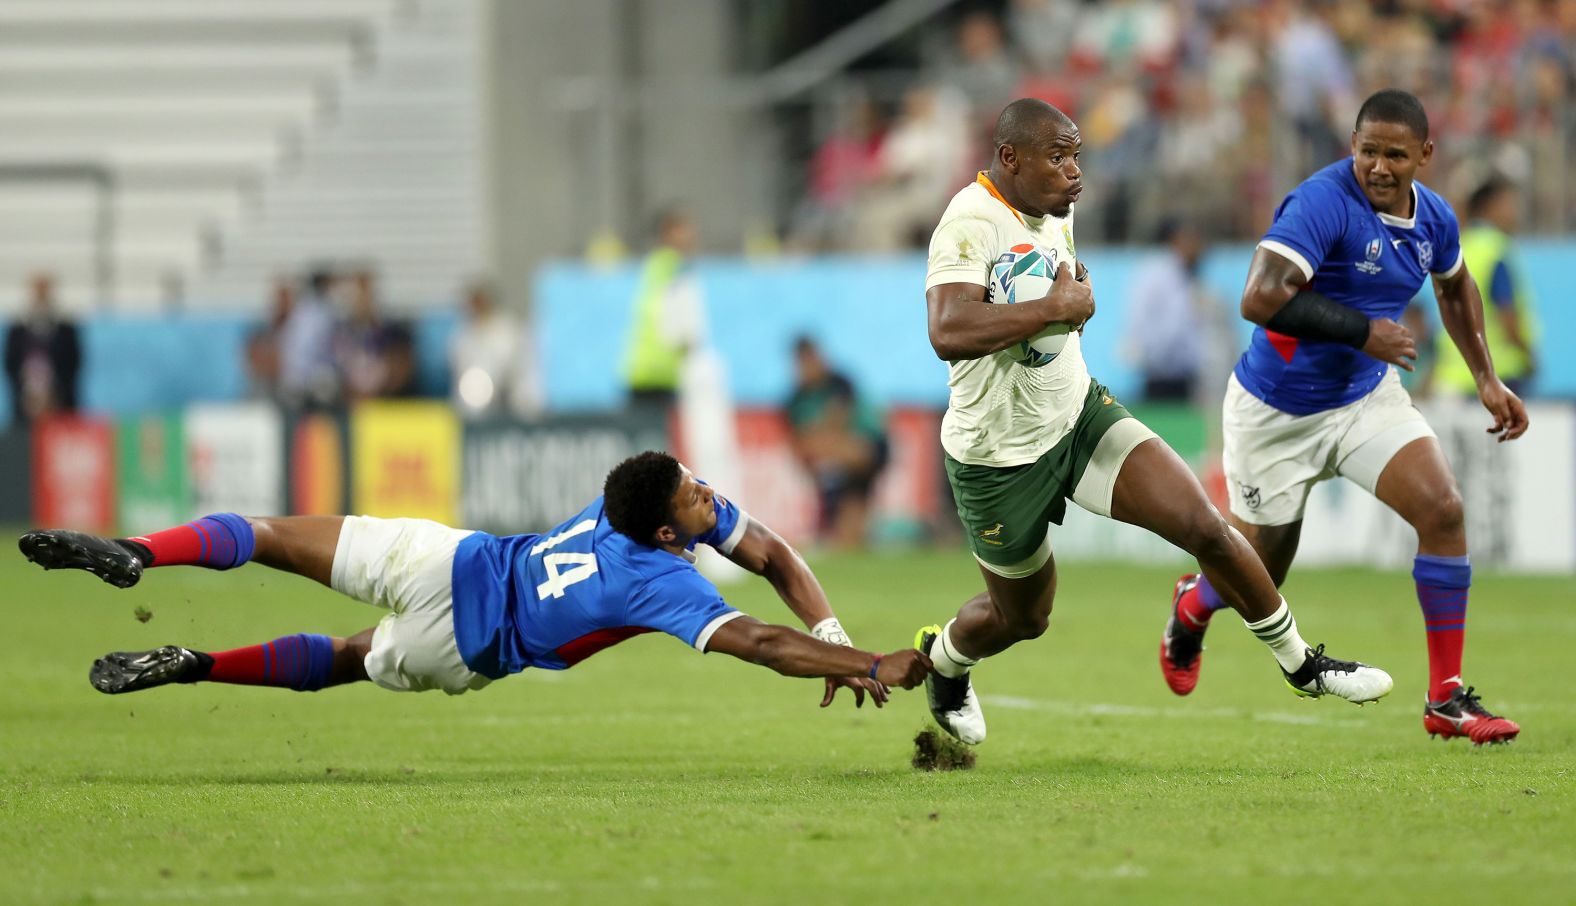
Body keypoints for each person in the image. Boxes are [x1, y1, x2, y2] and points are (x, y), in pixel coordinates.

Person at [917, 98, 1392, 747]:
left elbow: (1061, 297)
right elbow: (947, 330)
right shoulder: (968, 223)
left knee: (1207, 527)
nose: (1074, 171)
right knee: (1023, 619)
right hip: (996, 460)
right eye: (1058, 157)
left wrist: (1071, 304)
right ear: (1009, 158)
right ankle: (947, 661)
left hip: (1079, 418)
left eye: (1077, 155)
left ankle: (1302, 664)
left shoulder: (1057, 207)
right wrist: (1053, 307)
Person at [1157, 90, 1529, 746]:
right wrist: (1364, 332)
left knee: (1443, 510)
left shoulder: (1435, 219)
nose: (1380, 167)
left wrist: (1486, 378)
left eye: (1395, 154)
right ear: (1350, 149)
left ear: (1425, 156)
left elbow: (1456, 288)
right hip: (1275, 411)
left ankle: (1445, 699)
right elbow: (1258, 297)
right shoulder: (1322, 202)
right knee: (1261, 578)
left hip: (1362, 400)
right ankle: (1193, 606)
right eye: (1367, 152)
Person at [19, 451, 928, 708]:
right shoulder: (661, 584)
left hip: (450, 556)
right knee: (341, 659)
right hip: (466, 643)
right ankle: (192, 663)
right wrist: (865, 666)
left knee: (261, 532)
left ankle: (142, 548)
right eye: (698, 495)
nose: (710, 497)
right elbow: (763, 642)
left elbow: (768, 553)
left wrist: (839, 643)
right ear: (664, 530)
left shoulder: (623, 507)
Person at [1431, 177, 1538, 400]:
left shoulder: (1460, 246)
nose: (1515, 213)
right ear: (1489, 207)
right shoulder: (1496, 250)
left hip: (1453, 378)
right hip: (1496, 375)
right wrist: (1529, 356)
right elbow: (1507, 316)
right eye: (1508, 204)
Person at [785, 336, 889, 549]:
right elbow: (798, 442)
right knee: (849, 538)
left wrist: (817, 443)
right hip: (838, 465)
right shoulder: (795, 399)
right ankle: (840, 522)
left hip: (867, 449)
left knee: (832, 449)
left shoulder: (840, 384)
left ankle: (841, 519)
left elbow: (837, 424)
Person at [622, 208, 705, 415]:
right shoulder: (675, 270)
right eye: (683, 229)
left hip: (644, 373)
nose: (690, 235)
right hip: (660, 376)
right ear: (667, 233)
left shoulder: (653, 267)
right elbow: (683, 329)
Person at [1122, 220, 1213, 402]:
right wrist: (1153, 356)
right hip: (1159, 372)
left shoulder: (1190, 275)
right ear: (1175, 241)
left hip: (1184, 373)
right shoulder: (1158, 274)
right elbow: (1142, 319)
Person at [4, 273, 81, 424]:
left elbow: (73, 364)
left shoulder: (66, 330)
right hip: (24, 407)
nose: (41, 295)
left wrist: (56, 394)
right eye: (38, 290)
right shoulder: (17, 331)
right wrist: (26, 395)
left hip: (60, 406)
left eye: (44, 290)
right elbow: (10, 365)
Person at [336, 270, 415, 400]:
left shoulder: (391, 333)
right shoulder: (341, 332)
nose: (359, 300)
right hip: (351, 405)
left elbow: (402, 369)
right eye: (354, 295)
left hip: (384, 404)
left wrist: (381, 392)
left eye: (364, 293)